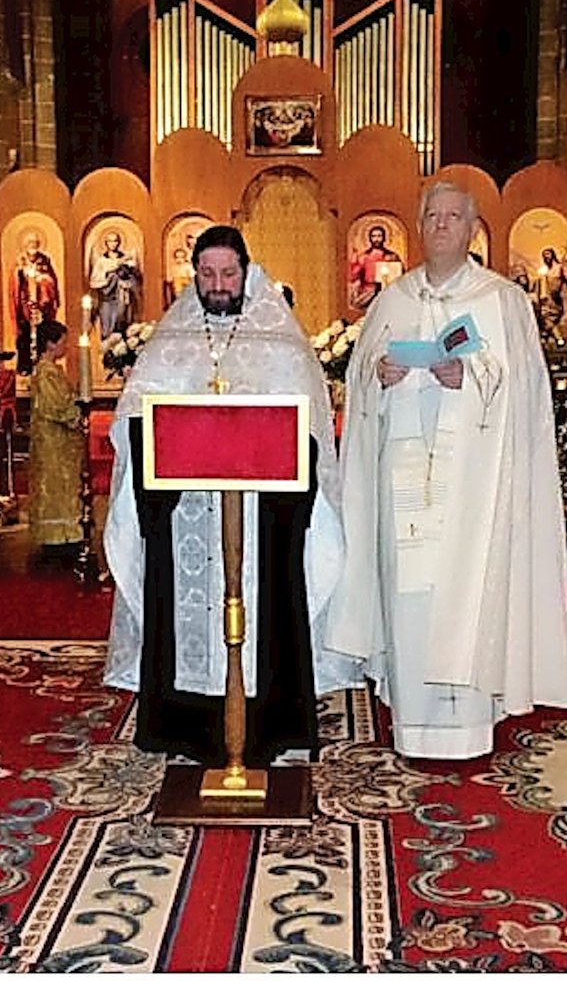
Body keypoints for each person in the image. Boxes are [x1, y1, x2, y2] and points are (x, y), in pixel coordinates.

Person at [102, 225, 367, 766]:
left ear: (247, 273)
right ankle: (184, 730)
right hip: (185, 516)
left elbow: (310, 425)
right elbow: (134, 420)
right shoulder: (170, 341)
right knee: (182, 612)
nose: (218, 283)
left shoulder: (281, 339)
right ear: (193, 275)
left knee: (267, 609)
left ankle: (270, 729)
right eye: (207, 273)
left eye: (228, 273)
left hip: (263, 520)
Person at [338, 181, 567, 760]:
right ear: (418, 226)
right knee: (409, 594)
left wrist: (470, 378)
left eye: (454, 216)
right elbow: (358, 378)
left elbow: (525, 392)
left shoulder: (502, 300)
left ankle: (471, 726)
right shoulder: (393, 299)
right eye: (432, 216)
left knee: (467, 590)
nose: (442, 225)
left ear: (473, 229)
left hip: (475, 487)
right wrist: (380, 372)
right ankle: (413, 726)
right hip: (403, 484)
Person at [28, 319, 86, 554]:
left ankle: (67, 533)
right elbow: (54, 406)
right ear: (50, 344)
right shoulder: (45, 372)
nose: (66, 347)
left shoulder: (53, 371)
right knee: (54, 486)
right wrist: (76, 413)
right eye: (63, 342)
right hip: (52, 441)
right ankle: (57, 535)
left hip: (60, 443)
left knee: (64, 485)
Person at [12, 232, 60, 373]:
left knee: (42, 335)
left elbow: (52, 280)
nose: (32, 246)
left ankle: (41, 364)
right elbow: (15, 283)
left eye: (35, 243)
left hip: (41, 305)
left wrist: (42, 280)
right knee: (24, 336)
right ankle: (25, 366)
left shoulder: (44, 260)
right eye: (30, 243)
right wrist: (20, 274)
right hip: (25, 304)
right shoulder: (20, 261)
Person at [89, 230, 143, 341]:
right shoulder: (101, 262)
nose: (113, 244)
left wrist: (126, 280)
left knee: (121, 325)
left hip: (122, 298)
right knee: (107, 329)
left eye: (115, 241)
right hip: (107, 299)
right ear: (106, 243)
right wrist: (109, 276)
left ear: (119, 242)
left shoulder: (127, 260)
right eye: (110, 241)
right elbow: (94, 281)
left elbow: (134, 280)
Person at [347, 224, 402, 311]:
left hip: (386, 290)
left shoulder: (392, 256)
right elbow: (354, 277)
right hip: (368, 291)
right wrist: (354, 262)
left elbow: (399, 275)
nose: (376, 239)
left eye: (379, 236)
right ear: (370, 238)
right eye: (374, 236)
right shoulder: (364, 257)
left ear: (384, 238)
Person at [531, 246, 567, 336]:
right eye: (544, 255)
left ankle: (558, 337)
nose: (547, 257)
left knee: (553, 317)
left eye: (548, 254)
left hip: (556, 299)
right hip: (546, 299)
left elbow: (564, 281)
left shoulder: (559, 268)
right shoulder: (544, 270)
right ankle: (557, 337)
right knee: (545, 319)